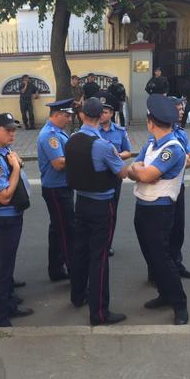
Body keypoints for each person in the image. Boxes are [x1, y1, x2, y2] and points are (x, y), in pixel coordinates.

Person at [65, 97, 129, 326]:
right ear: (101, 115)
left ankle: (77, 295)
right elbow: (122, 173)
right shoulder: (103, 145)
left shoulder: (71, 139)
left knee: (80, 251)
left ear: (82, 115)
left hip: (81, 202)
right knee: (99, 257)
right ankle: (99, 312)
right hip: (102, 205)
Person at [127, 94, 189, 325]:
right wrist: (141, 172)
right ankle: (164, 294)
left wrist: (141, 172)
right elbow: (133, 168)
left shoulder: (172, 149)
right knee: (152, 257)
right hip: (143, 207)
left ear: (151, 122)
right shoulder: (151, 144)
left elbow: (143, 174)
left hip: (159, 211)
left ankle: (179, 304)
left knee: (162, 259)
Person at [0, 113, 34, 327]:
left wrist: (17, 163)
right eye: (7, 130)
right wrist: (17, 168)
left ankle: (8, 305)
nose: (12, 134)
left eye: (13, 130)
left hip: (12, 216)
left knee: (7, 268)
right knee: (1, 270)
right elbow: (4, 196)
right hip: (4, 219)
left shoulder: (3, 151)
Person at [37, 98, 75, 282]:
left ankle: (56, 268)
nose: (69, 119)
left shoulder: (58, 132)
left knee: (58, 229)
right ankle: (73, 270)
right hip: (56, 188)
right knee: (67, 230)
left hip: (60, 186)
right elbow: (59, 163)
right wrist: (81, 157)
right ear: (57, 114)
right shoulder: (50, 135)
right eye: (67, 115)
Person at [168, 97, 190, 279]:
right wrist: (181, 161)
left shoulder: (181, 133)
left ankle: (176, 264)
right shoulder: (160, 133)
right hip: (164, 189)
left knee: (178, 229)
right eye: (178, 109)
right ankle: (159, 271)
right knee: (164, 231)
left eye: (182, 109)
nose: (182, 112)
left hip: (179, 186)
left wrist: (176, 162)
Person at [98, 91, 131, 257]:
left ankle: (107, 243)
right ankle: (96, 241)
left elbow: (128, 152)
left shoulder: (119, 131)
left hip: (114, 176)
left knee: (111, 212)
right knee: (97, 211)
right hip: (97, 176)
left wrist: (115, 155)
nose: (102, 115)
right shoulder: (92, 130)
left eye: (105, 112)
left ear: (111, 113)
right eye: (100, 112)